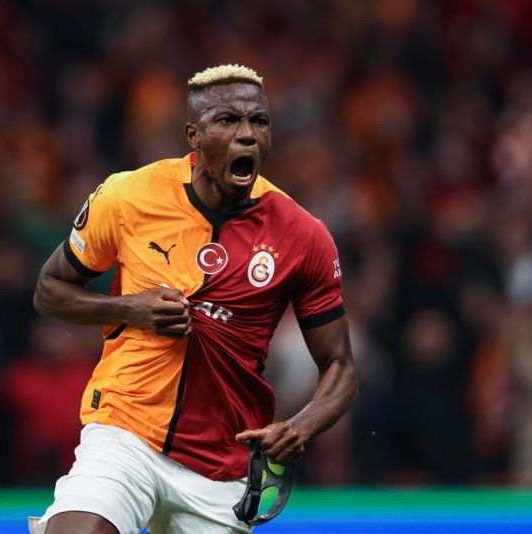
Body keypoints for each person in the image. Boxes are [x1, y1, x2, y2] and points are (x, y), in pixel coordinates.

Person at [28, 64, 357, 534]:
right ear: (194, 135)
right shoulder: (128, 196)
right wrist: (130, 307)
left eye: (258, 122)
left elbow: (341, 367)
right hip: (126, 429)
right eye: (228, 121)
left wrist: (299, 427)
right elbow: (49, 290)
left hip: (220, 462)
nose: (247, 135)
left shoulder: (304, 236)